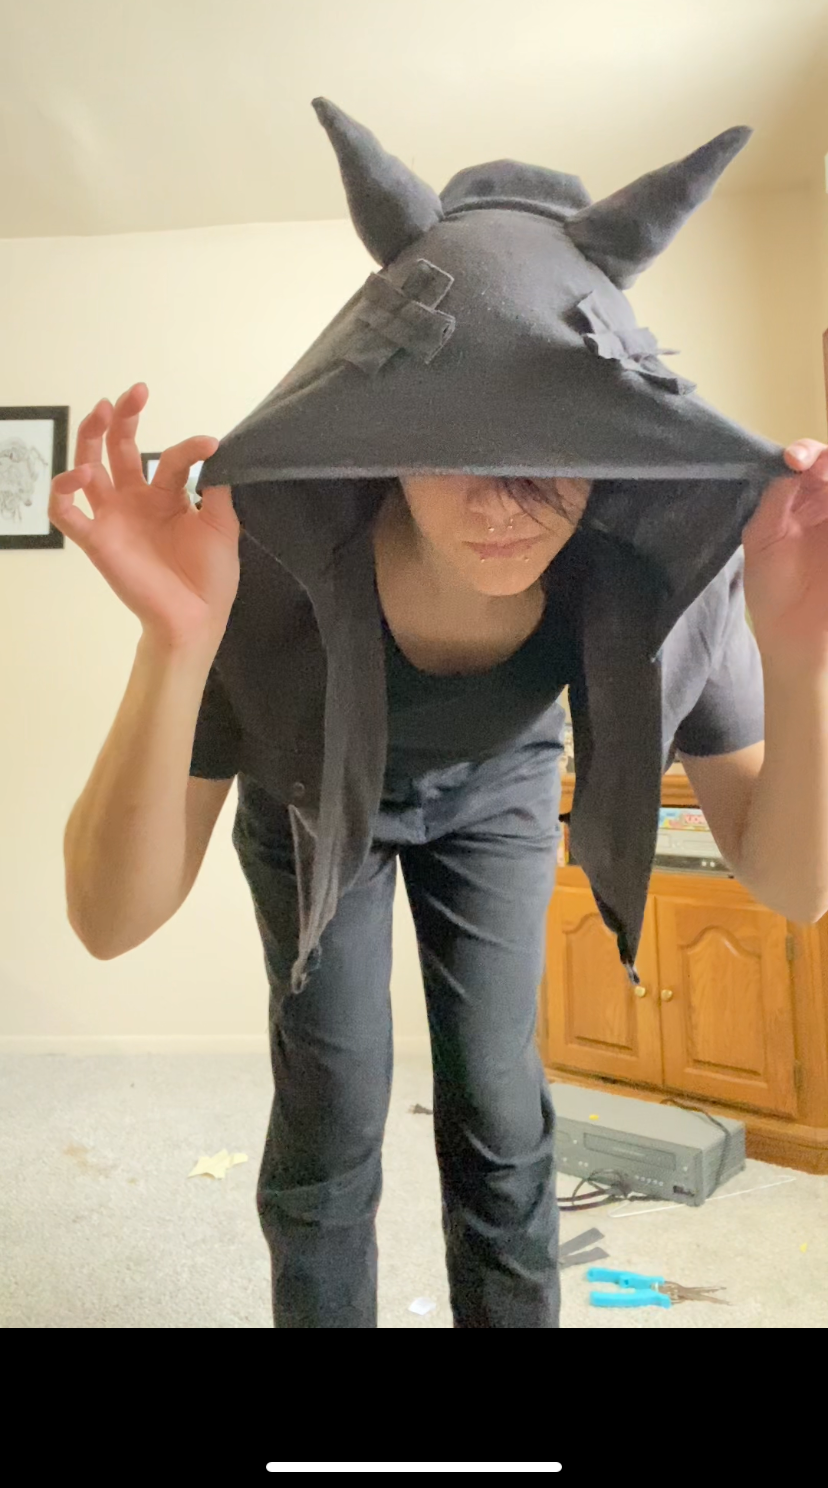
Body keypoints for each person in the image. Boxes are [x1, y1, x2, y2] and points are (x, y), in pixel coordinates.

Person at [51, 103, 828, 1329]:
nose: (502, 505)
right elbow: (108, 919)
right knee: (333, 1099)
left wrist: (800, 658)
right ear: (383, 433)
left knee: (503, 1108)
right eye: (455, 439)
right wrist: (173, 645)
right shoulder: (267, 566)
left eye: (551, 446)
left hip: (500, 791)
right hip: (310, 795)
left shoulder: (650, 573)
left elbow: (793, 885)